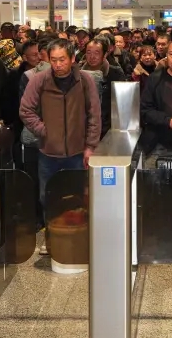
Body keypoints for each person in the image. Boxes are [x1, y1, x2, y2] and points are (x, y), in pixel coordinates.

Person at [19, 39, 101, 256]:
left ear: (73, 59)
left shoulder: (84, 81)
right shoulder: (39, 80)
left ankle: (79, 237)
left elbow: (94, 114)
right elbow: (26, 110)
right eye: (53, 60)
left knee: (77, 197)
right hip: (48, 152)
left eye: (62, 59)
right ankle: (52, 239)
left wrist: (90, 145)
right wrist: (44, 130)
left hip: (77, 152)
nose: (57, 64)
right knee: (49, 197)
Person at [79, 36, 127, 139]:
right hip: (82, 128)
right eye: (88, 52)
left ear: (105, 54)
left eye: (97, 53)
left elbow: (121, 105)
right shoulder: (77, 73)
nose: (92, 56)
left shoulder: (115, 73)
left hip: (107, 128)